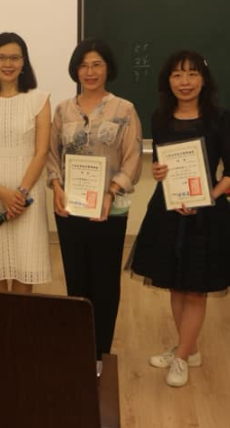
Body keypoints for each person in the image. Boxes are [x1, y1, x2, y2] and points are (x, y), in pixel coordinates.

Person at [129, 50, 230, 388]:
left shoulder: (220, 118)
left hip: (207, 215)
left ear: (204, 80)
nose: (185, 82)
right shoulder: (160, 118)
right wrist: (158, 171)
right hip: (169, 209)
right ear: (168, 81)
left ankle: (180, 358)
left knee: (196, 289)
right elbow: (163, 165)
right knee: (176, 283)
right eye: (177, 75)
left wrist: (209, 195)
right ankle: (187, 348)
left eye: (192, 74)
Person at [47, 39, 143, 362]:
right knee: (75, 279)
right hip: (69, 209)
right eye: (84, 65)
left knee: (104, 283)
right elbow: (50, 155)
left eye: (97, 64)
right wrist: (56, 187)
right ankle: (78, 348)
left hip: (110, 210)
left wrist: (111, 192)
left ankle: (100, 353)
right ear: (76, 69)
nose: (90, 72)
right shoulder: (62, 110)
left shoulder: (124, 109)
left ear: (108, 68)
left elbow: (132, 158)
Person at [0, 32, 51, 292]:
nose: (8, 63)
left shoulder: (40, 99)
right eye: (1, 57)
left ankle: (18, 332)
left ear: (24, 62)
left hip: (28, 192)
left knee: (25, 270)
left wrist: (20, 193)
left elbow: (41, 151)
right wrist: (2, 193)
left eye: (14, 57)